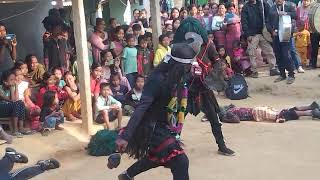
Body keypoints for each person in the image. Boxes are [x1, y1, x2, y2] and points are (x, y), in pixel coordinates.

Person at [116, 22, 234, 180]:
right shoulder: (156, 80)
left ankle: (127, 175)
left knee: (158, 157)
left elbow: (203, 75)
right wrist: (126, 136)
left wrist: (215, 76)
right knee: (180, 161)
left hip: (166, 123)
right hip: (152, 128)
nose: (188, 71)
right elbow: (141, 108)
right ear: (178, 66)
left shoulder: (179, 71)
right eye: (187, 68)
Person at [241, 0, 279, 78]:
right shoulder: (245, 7)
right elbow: (244, 22)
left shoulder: (263, 4)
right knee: (252, 54)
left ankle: (273, 69)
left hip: (263, 33)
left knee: (269, 51)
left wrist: (269, 29)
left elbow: (270, 15)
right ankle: (254, 71)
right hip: (252, 35)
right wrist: (248, 35)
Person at [269, 0, 296, 84]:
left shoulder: (290, 5)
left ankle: (291, 75)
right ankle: (282, 74)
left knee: (286, 55)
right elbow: (267, 21)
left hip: (286, 35)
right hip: (276, 35)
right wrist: (271, 31)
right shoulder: (272, 8)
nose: (278, 0)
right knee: (278, 55)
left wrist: (286, 13)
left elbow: (295, 15)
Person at [219, 102, 320, 123]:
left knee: (282, 115)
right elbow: (232, 105)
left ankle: (311, 112)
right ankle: (310, 107)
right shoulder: (231, 109)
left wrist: (224, 119)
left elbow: (236, 120)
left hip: (257, 113)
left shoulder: (229, 113)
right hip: (257, 109)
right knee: (284, 112)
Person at [0, 71, 30, 137]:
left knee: (21, 103)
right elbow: (12, 100)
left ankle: (21, 128)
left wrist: (16, 87)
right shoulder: (0, 88)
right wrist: (11, 87)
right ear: (5, 81)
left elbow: (16, 99)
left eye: (14, 79)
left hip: (11, 108)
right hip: (2, 109)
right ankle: (15, 129)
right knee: (17, 103)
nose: (14, 81)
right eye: (11, 80)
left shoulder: (12, 88)